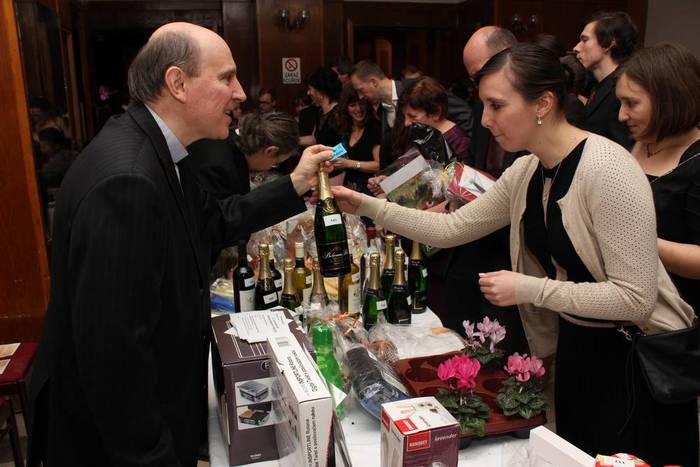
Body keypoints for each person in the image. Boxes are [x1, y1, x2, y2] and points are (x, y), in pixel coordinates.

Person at [332, 43, 697, 465]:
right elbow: (453, 228)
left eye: (497, 105)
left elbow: (635, 299)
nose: (486, 120)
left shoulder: (608, 169)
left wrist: (529, 288)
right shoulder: (527, 169)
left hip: (635, 364)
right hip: (577, 347)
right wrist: (369, 206)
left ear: (542, 103)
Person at [27, 22, 332, 467]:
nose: (240, 93)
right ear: (178, 83)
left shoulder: (163, 150)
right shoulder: (129, 180)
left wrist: (295, 183)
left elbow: (214, 221)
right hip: (111, 443)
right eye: (226, 77)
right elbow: (115, 356)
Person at [617, 42, 700, 318]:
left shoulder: (695, 162)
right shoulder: (639, 139)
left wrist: (635, 240)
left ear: (668, 101)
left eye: (632, 103)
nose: (621, 115)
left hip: (676, 317)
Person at [574, 11, 637, 149]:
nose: (576, 48)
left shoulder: (622, 90)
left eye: (585, 40)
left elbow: (623, 147)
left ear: (608, 43)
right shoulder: (597, 86)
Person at [334, 83, 380, 195]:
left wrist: (349, 163)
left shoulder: (374, 127)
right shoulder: (345, 128)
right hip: (349, 188)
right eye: (352, 105)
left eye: (361, 103)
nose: (358, 109)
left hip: (370, 190)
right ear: (345, 107)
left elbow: (378, 165)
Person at [299, 66, 342, 148]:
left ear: (319, 90)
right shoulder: (320, 112)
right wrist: (291, 141)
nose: (308, 93)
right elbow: (316, 139)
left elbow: (343, 144)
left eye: (310, 89)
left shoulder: (338, 113)